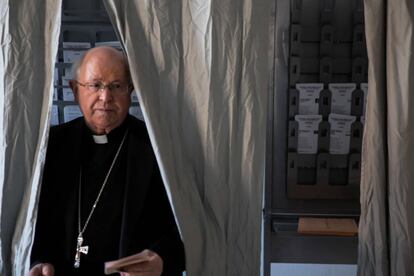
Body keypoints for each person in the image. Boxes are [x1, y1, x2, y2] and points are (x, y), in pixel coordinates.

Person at [29, 46, 185, 276]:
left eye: (117, 86)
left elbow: (186, 228)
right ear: (74, 90)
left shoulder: (158, 149)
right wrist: (37, 261)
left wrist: (161, 260)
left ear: (130, 90)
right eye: (95, 85)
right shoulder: (49, 147)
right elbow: (29, 225)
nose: (106, 97)